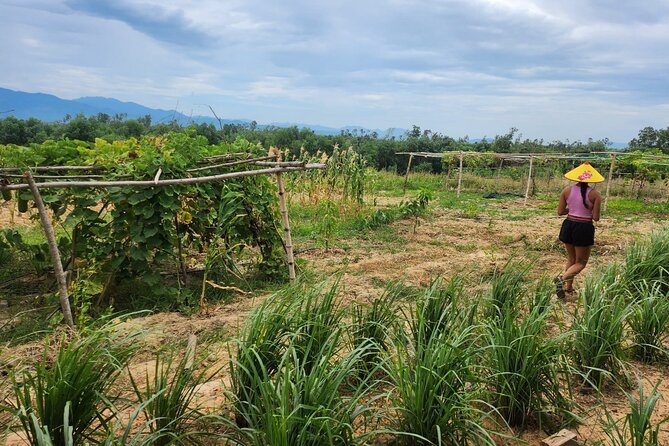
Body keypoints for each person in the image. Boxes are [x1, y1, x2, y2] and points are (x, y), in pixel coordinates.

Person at [554, 162, 604, 298]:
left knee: (572, 259)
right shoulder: (595, 195)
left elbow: (560, 211)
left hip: (568, 224)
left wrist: (573, 209)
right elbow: (596, 217)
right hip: (583, 227)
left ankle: (569, 289)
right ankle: (561, 280)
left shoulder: (566, 191)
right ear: (590, 179)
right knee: (581, 262)